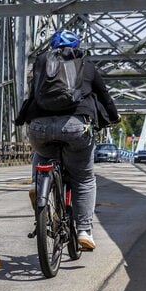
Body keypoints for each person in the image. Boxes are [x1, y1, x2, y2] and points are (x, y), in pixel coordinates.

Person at [15, 30, 120, 251]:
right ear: (77, 47)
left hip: (39, 126)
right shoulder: (86, 66)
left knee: (42, 152)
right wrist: (114, 116)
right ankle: (84, 230)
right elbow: (105, 98)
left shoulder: (42, 65)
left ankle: (39, 181)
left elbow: (32, 96)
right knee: (83, 179)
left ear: (52, 47)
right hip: (75, 126)